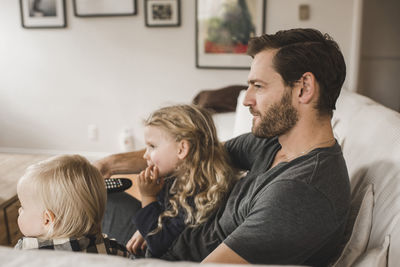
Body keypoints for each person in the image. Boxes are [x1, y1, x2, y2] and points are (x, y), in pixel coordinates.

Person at [95, 28, 351, 266]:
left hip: (170, 254)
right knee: (94, 191)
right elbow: (192, 154)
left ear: (304, 88)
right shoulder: (273, 142)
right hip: (170, 229)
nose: (247, 99)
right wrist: (108, 165)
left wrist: (152, 222)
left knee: (74, 208)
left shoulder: (300, 194)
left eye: (258, 86)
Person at [125, 105, 236, 257]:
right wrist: (144, 230)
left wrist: (147, 197)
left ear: (182, 149)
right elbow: (164, 215)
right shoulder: (174, 178)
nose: (145, 155)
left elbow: (159, 243)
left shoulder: (200, 195)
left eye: (152, 146)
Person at [14, 154, 132, 259]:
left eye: (22, 207)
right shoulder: (113, 251)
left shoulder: (24, 252)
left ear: (47, 220)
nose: (19, 210)